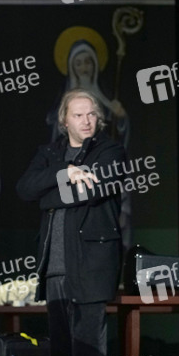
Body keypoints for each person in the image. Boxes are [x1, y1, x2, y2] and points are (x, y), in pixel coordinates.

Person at [18, 89, 126, 356]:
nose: (86, 121)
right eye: (78, 115)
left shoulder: (109, 152)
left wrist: (49, 194)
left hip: (91, 268)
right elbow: (25, 189)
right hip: (55, 270)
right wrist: (64, 172)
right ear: (65, 120)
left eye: (91, 114)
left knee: (88, 353)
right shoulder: (50, 154)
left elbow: (90, 193)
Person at [47, 37, 132, 249]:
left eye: (88, 62)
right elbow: (27, 187)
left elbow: (120, 133)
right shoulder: (54, 144)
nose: (84, 68)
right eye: (78, 115)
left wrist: (120, 117)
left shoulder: (106, 100)